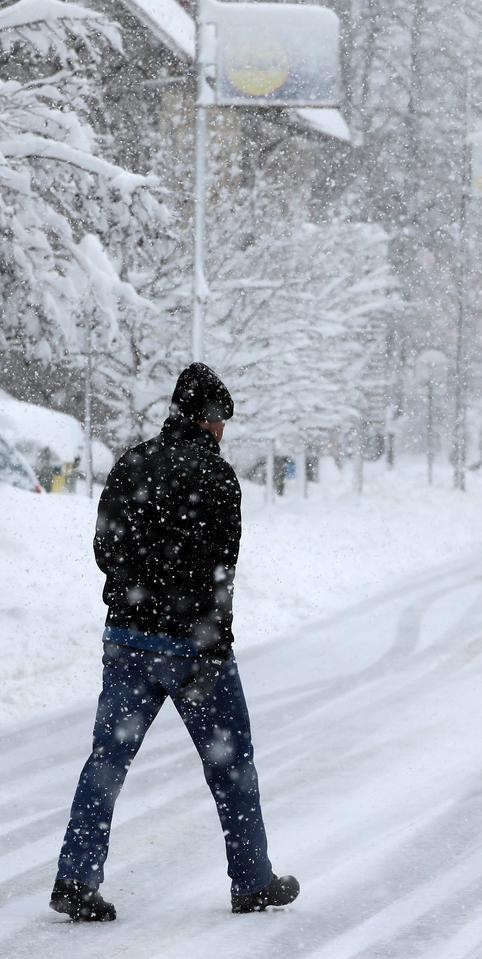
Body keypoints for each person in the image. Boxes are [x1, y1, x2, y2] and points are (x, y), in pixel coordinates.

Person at [51, 363, 299, 922]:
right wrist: (210, 641)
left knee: (107, 760)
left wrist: (131, 595)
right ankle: (252, 880)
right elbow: (220, 570)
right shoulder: (216, 478)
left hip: (128, 639)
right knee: (232, 765)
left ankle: (75, 878)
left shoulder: (132, 461)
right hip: (193, 648)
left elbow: (104, 548)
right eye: (221, 423)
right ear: (211, 422)